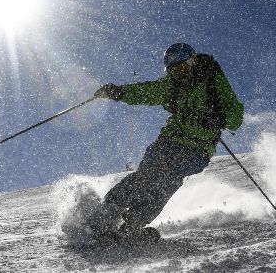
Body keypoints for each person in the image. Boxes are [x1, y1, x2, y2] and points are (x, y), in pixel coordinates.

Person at [86, 43, 244, 240]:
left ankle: (133, 223)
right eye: (174, 71)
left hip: (198, 148)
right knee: (148, 175)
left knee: (166, 180)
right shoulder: (171, 85)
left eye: (183, 68)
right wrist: (118, 92)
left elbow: (236, 114)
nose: (180, 75)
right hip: (169, 139)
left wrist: (219, 118)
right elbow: (146, 91)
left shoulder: (212, 81)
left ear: (193, 62)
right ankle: (108, 212)